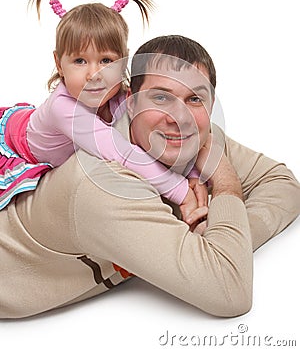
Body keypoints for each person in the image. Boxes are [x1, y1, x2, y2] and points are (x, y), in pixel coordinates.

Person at [0, 33, 299, 320]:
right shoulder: (103, 185)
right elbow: (229, 288)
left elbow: (283, 185)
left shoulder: (185, 133)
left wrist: (220, 228)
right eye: (160, 97)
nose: (179, 117)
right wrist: (223, 191)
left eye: (195, 99)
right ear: (131, 102)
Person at [0, 0, 206, 224]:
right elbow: (122, 153)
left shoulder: (122, 96)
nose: (94, 74)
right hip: (15, 141)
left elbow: (154, 135)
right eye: (79, 61)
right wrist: (182, 192)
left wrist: (194, 175)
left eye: (106, 61)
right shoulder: (63, 109)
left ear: (123, 61)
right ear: (59, 63)